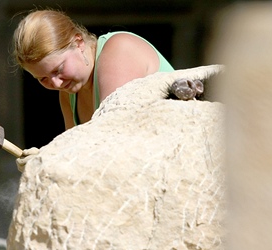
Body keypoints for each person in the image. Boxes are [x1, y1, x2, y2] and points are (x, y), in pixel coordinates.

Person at [12, 9, 174, 171]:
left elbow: (112, 138)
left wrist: (54, 160)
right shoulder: (68, 94)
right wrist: (44, 160)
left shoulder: (120, 50)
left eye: (58, 69)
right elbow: (76, 153)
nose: (56, 83)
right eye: (43, 78)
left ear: (78, 43)